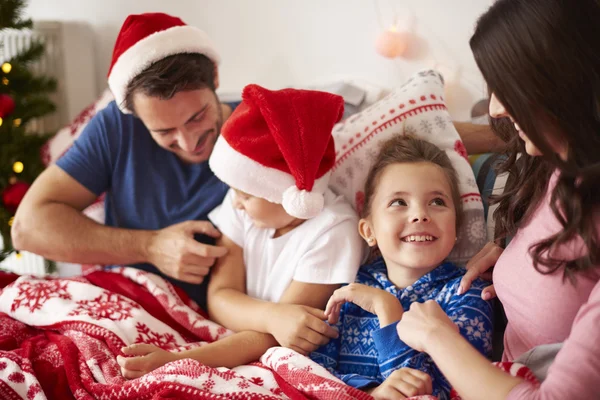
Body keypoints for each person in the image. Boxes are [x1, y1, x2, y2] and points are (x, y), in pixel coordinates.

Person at [11, 11, 501, 314]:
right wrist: (148, 245)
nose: (188, 141)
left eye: (199, 115)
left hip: (211, 314)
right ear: (133, 115)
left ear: (215, 78)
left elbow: (401, 130)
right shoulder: (116, 127)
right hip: (126, 293)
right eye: (164, 132)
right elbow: (28, 228)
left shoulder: (268, 136)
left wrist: (517, 134)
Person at [395, 0, 600, 399]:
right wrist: (512, 252)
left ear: (566, 81)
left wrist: (437, 336)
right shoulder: (559, 160)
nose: (496, 108)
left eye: (510, 89)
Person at [116, 84, 364, 378]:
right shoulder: (243, 207)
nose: (236, 202)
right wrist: (271, 315)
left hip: (268, 352)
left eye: (246, 194)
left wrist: (178, 361)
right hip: (238, 339)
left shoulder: (333, 231)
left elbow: (276, 338)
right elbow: (219, 298)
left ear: (287, 195)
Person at [310, 135, 493, 400]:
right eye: (399, 202)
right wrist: (372, 392)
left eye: (437, 202)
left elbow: (444, 393)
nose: (420, 214)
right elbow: (314, 375)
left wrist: (389, 312)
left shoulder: (469, 295)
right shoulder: (349, 291)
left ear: (456, 229)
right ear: (368, 230)